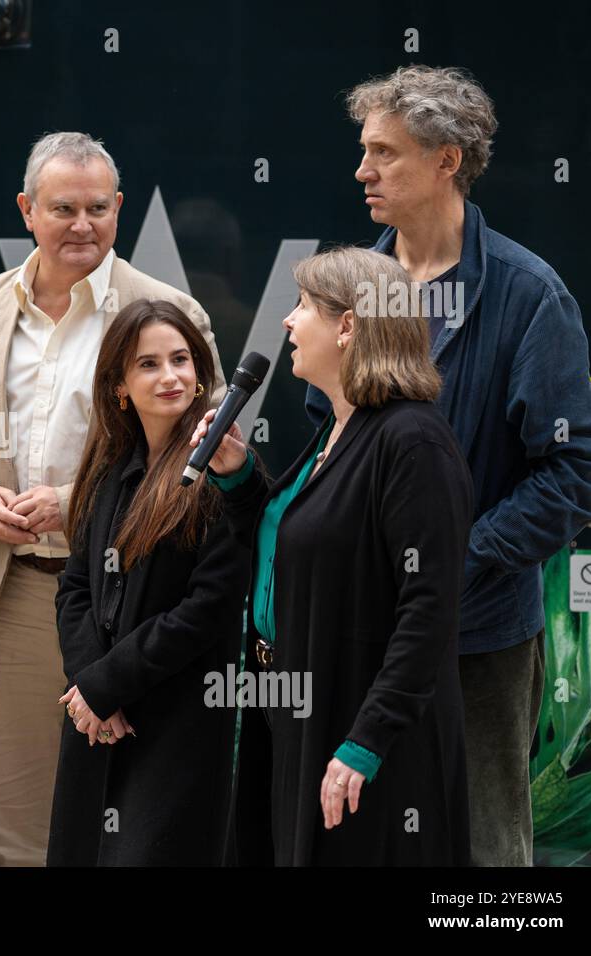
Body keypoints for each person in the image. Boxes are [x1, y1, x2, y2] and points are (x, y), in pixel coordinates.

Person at [309, 66, 591, 865]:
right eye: (363, 151)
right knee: (359, 841)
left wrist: (450, 565)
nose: (361, 171)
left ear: (448, 159)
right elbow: (322, 447)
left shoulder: (526, 294)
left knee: (480, 853)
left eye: (385, 153)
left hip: (475, 638)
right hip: (358, 627)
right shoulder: (351, 288)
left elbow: (579, 475)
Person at [0, 131, 226, 866]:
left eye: (97, 208)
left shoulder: (170, 312)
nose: (82, 224)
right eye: (63, 209)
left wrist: (75, 502)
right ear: (27, 210)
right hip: (18, 593)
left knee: (137, 813)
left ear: (119, 210)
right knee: (18, 821)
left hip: (138, 602)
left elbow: (201, 455)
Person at [205, 247, 474, 865]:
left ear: (349, 326)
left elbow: (428, 610)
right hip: (295, 708)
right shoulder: (337, 428)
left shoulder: (413, 442)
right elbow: (295, 551)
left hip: (360, 731)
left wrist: (366, 741)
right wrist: (239, 476)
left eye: (302, 307)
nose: (287, 322)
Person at [46, 299, 248, 866]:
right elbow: (75, 588)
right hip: (97, 720)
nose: (170, 376)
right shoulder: (109, 468)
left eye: (181, 360)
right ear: (119, 386)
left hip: (174, 723)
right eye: (149, 364)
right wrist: (90, 687)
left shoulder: (223, 472)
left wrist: (109, 685)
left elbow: (208, 608)